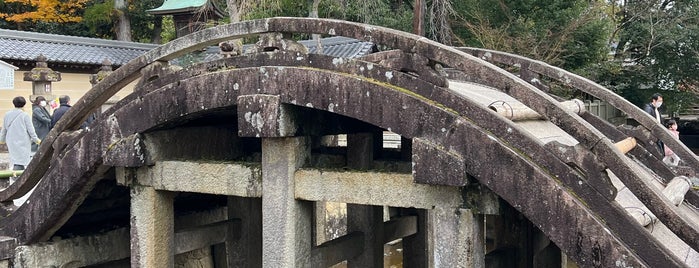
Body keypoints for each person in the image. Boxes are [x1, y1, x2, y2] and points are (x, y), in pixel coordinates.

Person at [0, 96, 41, 170]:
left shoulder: (7, 114)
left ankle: (17, 175)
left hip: (11, 140)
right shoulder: (25, 115)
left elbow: (4, 129)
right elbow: (31, 130)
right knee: (21, 160)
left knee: (16, 159)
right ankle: (18, 176)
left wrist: (2, 140)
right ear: (24, 104)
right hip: (23, 140)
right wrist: (36, 140)